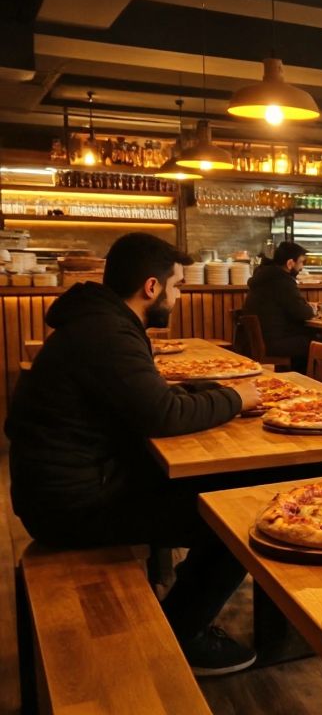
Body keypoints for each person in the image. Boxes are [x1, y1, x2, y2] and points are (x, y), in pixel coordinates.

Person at [5, 233, 262, 675]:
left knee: (221, 493)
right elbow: (162, 414)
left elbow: (147, 398)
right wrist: (237, 398)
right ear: (151, 288)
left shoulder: (100, 322)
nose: (179, 296)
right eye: (177, 286)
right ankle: (182, 633)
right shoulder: (107, 333)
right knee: (236, 518)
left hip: (75, 484)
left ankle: (181, 610)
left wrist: (212, 391)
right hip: (72, 506)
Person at [243, 240, 315, 371]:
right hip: (274, 343)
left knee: (309, 339)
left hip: (258, 342)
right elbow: (303, 313)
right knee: (319, 344)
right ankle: (309, 383)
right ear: (290, 263)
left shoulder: (263, 277)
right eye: (301, 262)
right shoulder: (283, 281)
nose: (302, 267)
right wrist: (311, 308)